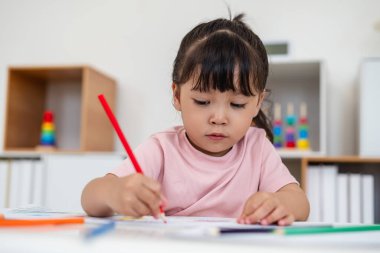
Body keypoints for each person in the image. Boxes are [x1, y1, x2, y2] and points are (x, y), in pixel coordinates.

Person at [81, 13, 309, 225]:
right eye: (202, 101)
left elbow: (300, 203)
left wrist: (279, 203)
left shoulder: (257, 148)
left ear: (258, 103)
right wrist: (115, 192)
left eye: (237, 104)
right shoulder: (162, 149)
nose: (219, 118)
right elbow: (90, 196)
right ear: (177, 95)